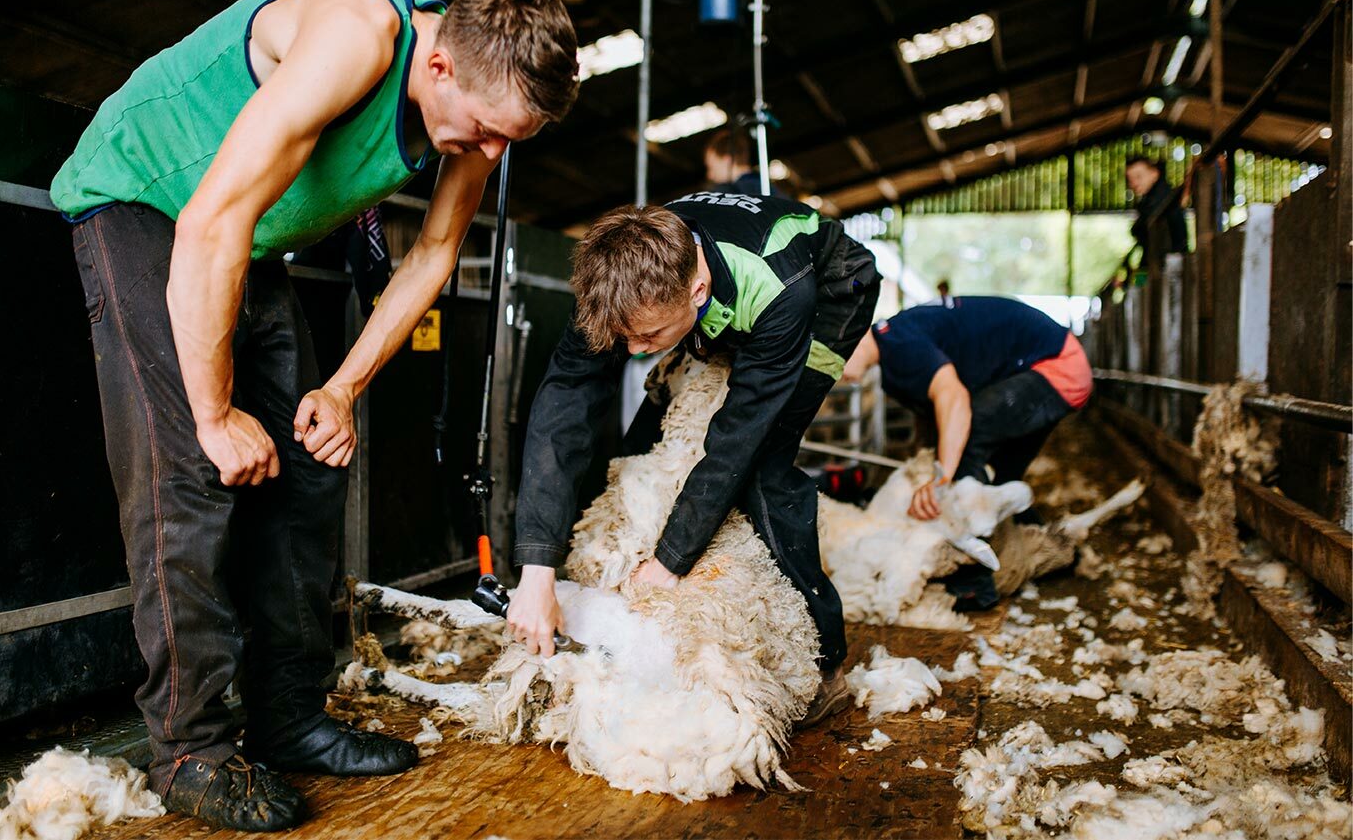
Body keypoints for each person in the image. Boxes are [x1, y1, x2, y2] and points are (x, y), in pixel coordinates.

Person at [49, 0, 577, 832]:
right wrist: (215, 416)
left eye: (507, 141)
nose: (487, 154)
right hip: (147, 202)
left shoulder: (477, 119)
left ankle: (290, 715)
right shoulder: (355, 36)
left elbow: (434, 254)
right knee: (186, 471)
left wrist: (342, 388)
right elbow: (207, 224)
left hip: (244, 236)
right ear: (439, 65)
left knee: (308, 461)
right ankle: (192, 751)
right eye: (484, 132)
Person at [506, 192, 880, 727]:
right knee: (654, 433)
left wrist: (669, 562)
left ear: (696, 289)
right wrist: (536, 568)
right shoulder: (620, 275)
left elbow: (737, 438)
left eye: (649, 336)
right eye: (624, 336)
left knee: (762, 465)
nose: (634, 351)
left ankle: (825, 663)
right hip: (717, 297)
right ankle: (619, 615)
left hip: (829, 292)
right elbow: (565, 404)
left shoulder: (781, 292)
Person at [842, 296, 1093, 609]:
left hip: (1056, 366)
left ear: (843, 337)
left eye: (826, 360)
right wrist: (925, 466)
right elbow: (933, 415)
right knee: (999, 476)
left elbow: (954, 399)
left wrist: (941, 476)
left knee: (969, 438)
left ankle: (975, 581)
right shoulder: (892, 353)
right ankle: (1053, 549)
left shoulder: (899, 345)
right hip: (1037, 368)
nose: (832, 375)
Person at [1125, 156, 1188, 265]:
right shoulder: (1150, 201)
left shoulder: (1163, 198)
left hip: (1169, 262)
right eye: (1130, 180)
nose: (1134, 183)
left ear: (1154, 173)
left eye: (1138, 176)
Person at [703, 128, 764, 196]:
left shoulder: (725, 193)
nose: (709, 175)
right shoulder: (764, 185)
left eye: (710, 168)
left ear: (727, 160)